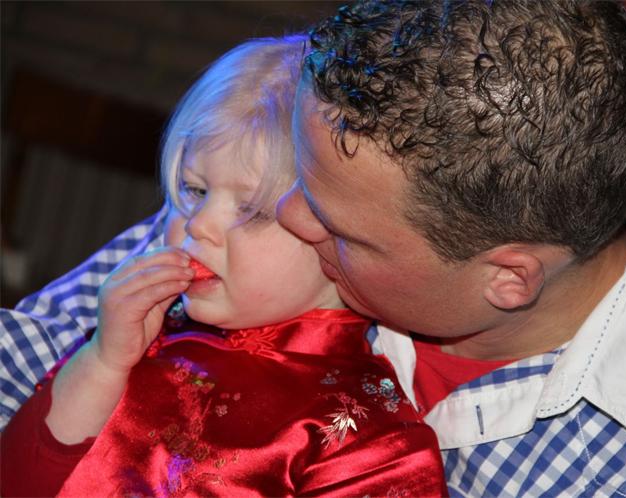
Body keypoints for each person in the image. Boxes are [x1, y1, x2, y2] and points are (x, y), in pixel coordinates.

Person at [1, 1, 626, 496]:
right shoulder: (315, 189)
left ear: (508, 278)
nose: (289, 215)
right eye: (300, 181)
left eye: (337, 225)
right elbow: (27, 360)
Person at [1, 35, 446, 498]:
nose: (199, 225)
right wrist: (102, 361)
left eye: (251, 211)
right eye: (195, 191)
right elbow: (15, 483)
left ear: (340, 235)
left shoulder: (371, 440)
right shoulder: (139, 332)